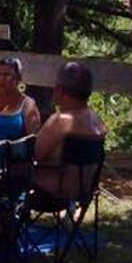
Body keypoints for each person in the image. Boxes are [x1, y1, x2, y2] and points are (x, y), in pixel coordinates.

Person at [33, 61, 107, 197]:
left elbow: (33, 155)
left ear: (59, 89)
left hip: (49, 192)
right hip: (83, 192)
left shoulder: (60, 120)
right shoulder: (97, 121)